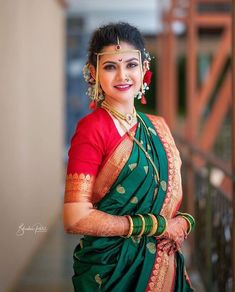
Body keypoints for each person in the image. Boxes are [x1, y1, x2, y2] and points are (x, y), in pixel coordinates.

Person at [63, 22, 195, 292]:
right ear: (93, 73)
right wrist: (158, 226)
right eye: (110, 66)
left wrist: (184, 221)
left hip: (163, 266)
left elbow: (169, 201)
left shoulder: (158, 126)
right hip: (111, 271)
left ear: (145, 69)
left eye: (131, 65)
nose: (123, 75)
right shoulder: (92, 129)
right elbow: (75, 217)